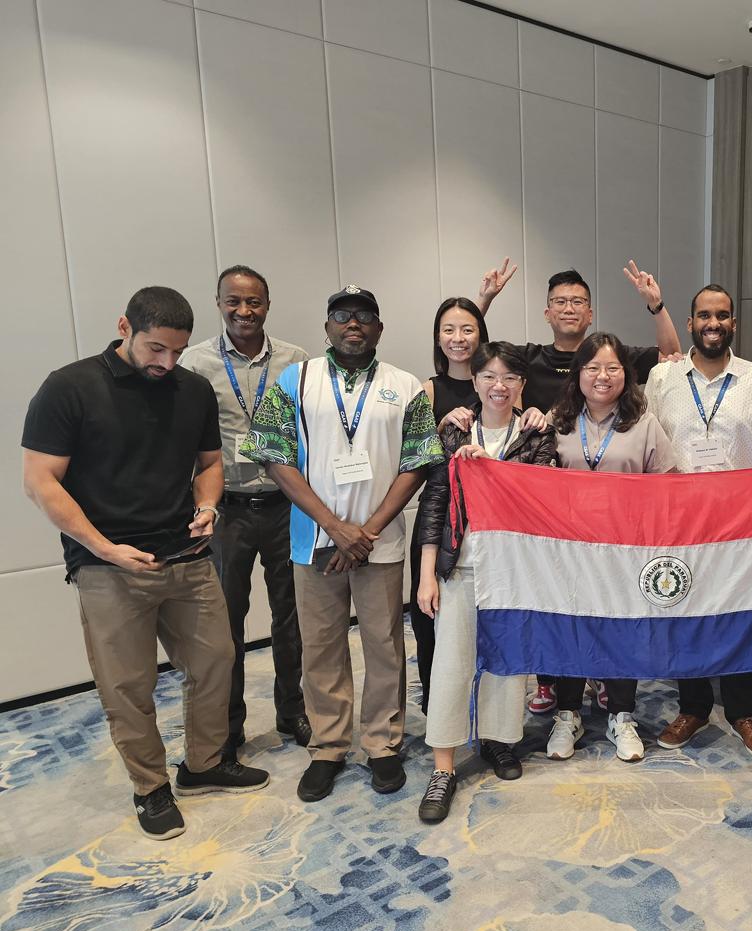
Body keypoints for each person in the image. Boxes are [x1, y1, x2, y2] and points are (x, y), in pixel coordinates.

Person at [21, 286, 269, 841]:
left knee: (217, 660)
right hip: (109, 566)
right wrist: (102, 547)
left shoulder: (193, 389)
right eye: (156, 348)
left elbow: (210, 464)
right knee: (128, 685)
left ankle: (203, 765)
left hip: (187, 556)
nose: (167, 362)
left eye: (177, 351)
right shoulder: (69, 387)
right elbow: (39, 481)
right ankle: (150, 786)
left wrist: (208, 506)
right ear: (124, 328)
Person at [242, 284, 446, 803]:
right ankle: (328, 746)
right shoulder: (296, 379)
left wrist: (365, 531)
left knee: (384, 645)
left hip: (380, 542)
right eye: (342, 315)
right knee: (321, 646)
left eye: (364, 316)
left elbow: (418, 462)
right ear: (327, 326)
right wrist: (335, 527)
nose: (353, 323)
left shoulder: (405, 386)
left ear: (379, 327)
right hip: (314, 539)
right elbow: (273, 456)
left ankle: (382, 743)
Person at [474, 260, 682, 715]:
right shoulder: (545, 393)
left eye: (578, 302)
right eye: (560, 302)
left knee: (617, 617)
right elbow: (481, 357)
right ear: (548, 312)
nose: (601, 376)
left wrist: (656, 305)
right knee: (562, 614)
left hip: (622, 539)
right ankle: (559, 694)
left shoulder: (640, 417)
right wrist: (484, 300)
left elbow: (671, 357)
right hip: (563, 535)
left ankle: (614, 695)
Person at [643, 284, 752, 761]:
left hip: (741, 522)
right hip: (679, 521)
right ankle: (693, 707)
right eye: (704, 316)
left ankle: (743, 712)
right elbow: (646, 440)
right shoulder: (662, 379)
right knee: (684, 613)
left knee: (740, 615)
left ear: (733, 324)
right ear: (690, 324)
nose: (713, 324)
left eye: (722, 316)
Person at [415, 342, 559, 823]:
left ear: (522, 384)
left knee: (506, 663)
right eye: (490, 377)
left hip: (512, 570)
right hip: (460, 566)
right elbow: (434, 504)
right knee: (450, 664)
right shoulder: (453, 430)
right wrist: (427, 575)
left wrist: (492, 471)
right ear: (474, 382)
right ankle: (443, 765)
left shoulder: (536, 434)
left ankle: (498, 741)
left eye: (510, 378)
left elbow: (540, 499)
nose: (500, 386)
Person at [179, 265, 311, 758]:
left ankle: (292, 710)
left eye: (253, 301)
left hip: (285, 506)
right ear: (218, 304)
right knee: (225, 623)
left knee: (291, 617)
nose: (244, 311)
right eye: (233, 301)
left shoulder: (296, 360)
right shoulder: (194, 363)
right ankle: (229, 724)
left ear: (267, 305)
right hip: (227, 511)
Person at [545, 332, 677, 763]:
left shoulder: (644, 423)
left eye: (612, 368)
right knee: (569, 628)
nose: (602, 376)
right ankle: (568, 714)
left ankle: (622, 715)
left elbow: (668, 484)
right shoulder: (557, 421)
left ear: (626, 373)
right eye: (593, 368)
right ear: (578, 374)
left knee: (624, 631)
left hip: (626, 550)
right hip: (569, 550)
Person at [407, 297, 489, 719]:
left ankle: (485, 712)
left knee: (484, 622)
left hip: (489, 522)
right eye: (449, 330)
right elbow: (416, 460)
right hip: (439, 518)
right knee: (429, 618)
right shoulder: (429, 390)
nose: (458, 338)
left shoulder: (495, 382)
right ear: (438, 338)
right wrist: (441, 430)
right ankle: (436, 708)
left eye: (468, 329)